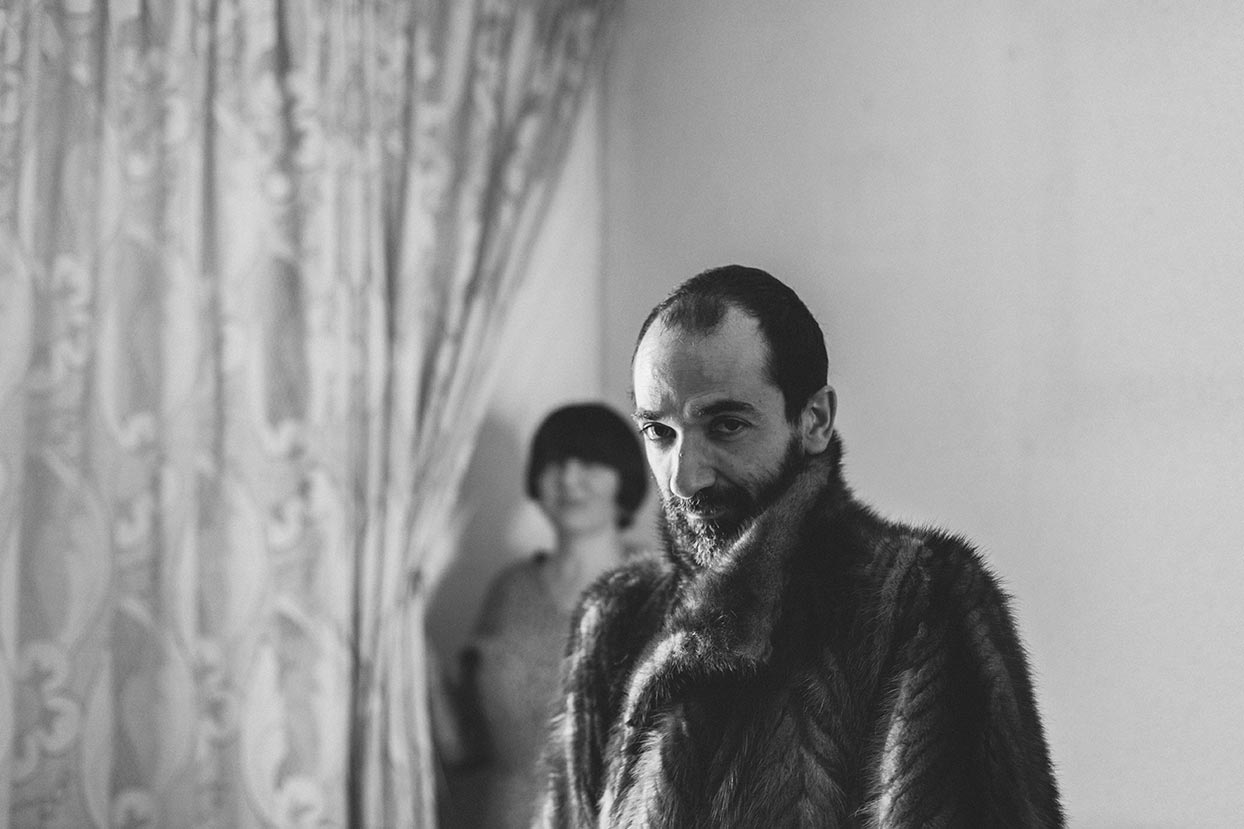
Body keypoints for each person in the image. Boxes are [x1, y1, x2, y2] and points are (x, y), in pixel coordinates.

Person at [536, 266, 1064, 827]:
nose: (684, 478)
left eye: (726, 426)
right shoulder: (614, 618)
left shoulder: (920, 598)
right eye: (659, 433)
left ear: (814, 420)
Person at [440, 403, 649, 829]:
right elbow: (465, 744)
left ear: (623, 478)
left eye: (590, 461)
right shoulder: (510, 589)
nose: (569, 477)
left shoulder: (658, 589)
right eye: (555, 462)